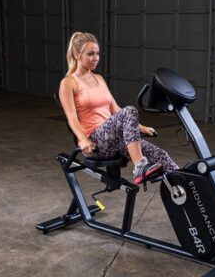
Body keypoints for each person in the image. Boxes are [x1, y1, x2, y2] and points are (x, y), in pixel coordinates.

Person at [59, 31, 178, 184]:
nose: (95, 58)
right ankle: (140, 166)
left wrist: (140, 127)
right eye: (90, 54)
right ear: (77, 54)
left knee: (161, 155)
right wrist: (83, 140)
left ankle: (187, 186)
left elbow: (115, 109)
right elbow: (72, 118)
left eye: (97, 54)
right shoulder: (68, 83)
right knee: (129, 110)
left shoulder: (99, 78)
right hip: (96, 143)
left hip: (115, 140)